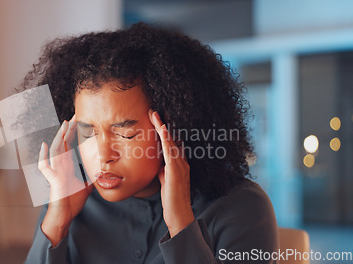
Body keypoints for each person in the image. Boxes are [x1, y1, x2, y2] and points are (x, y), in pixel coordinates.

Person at [21, 22, 278, 264]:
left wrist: (181, 224)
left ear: (174, 126)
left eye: (126, 134)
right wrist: (57, 221)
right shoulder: (69, 202)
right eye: (88, 133)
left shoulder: (240, 209)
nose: (103, 156)